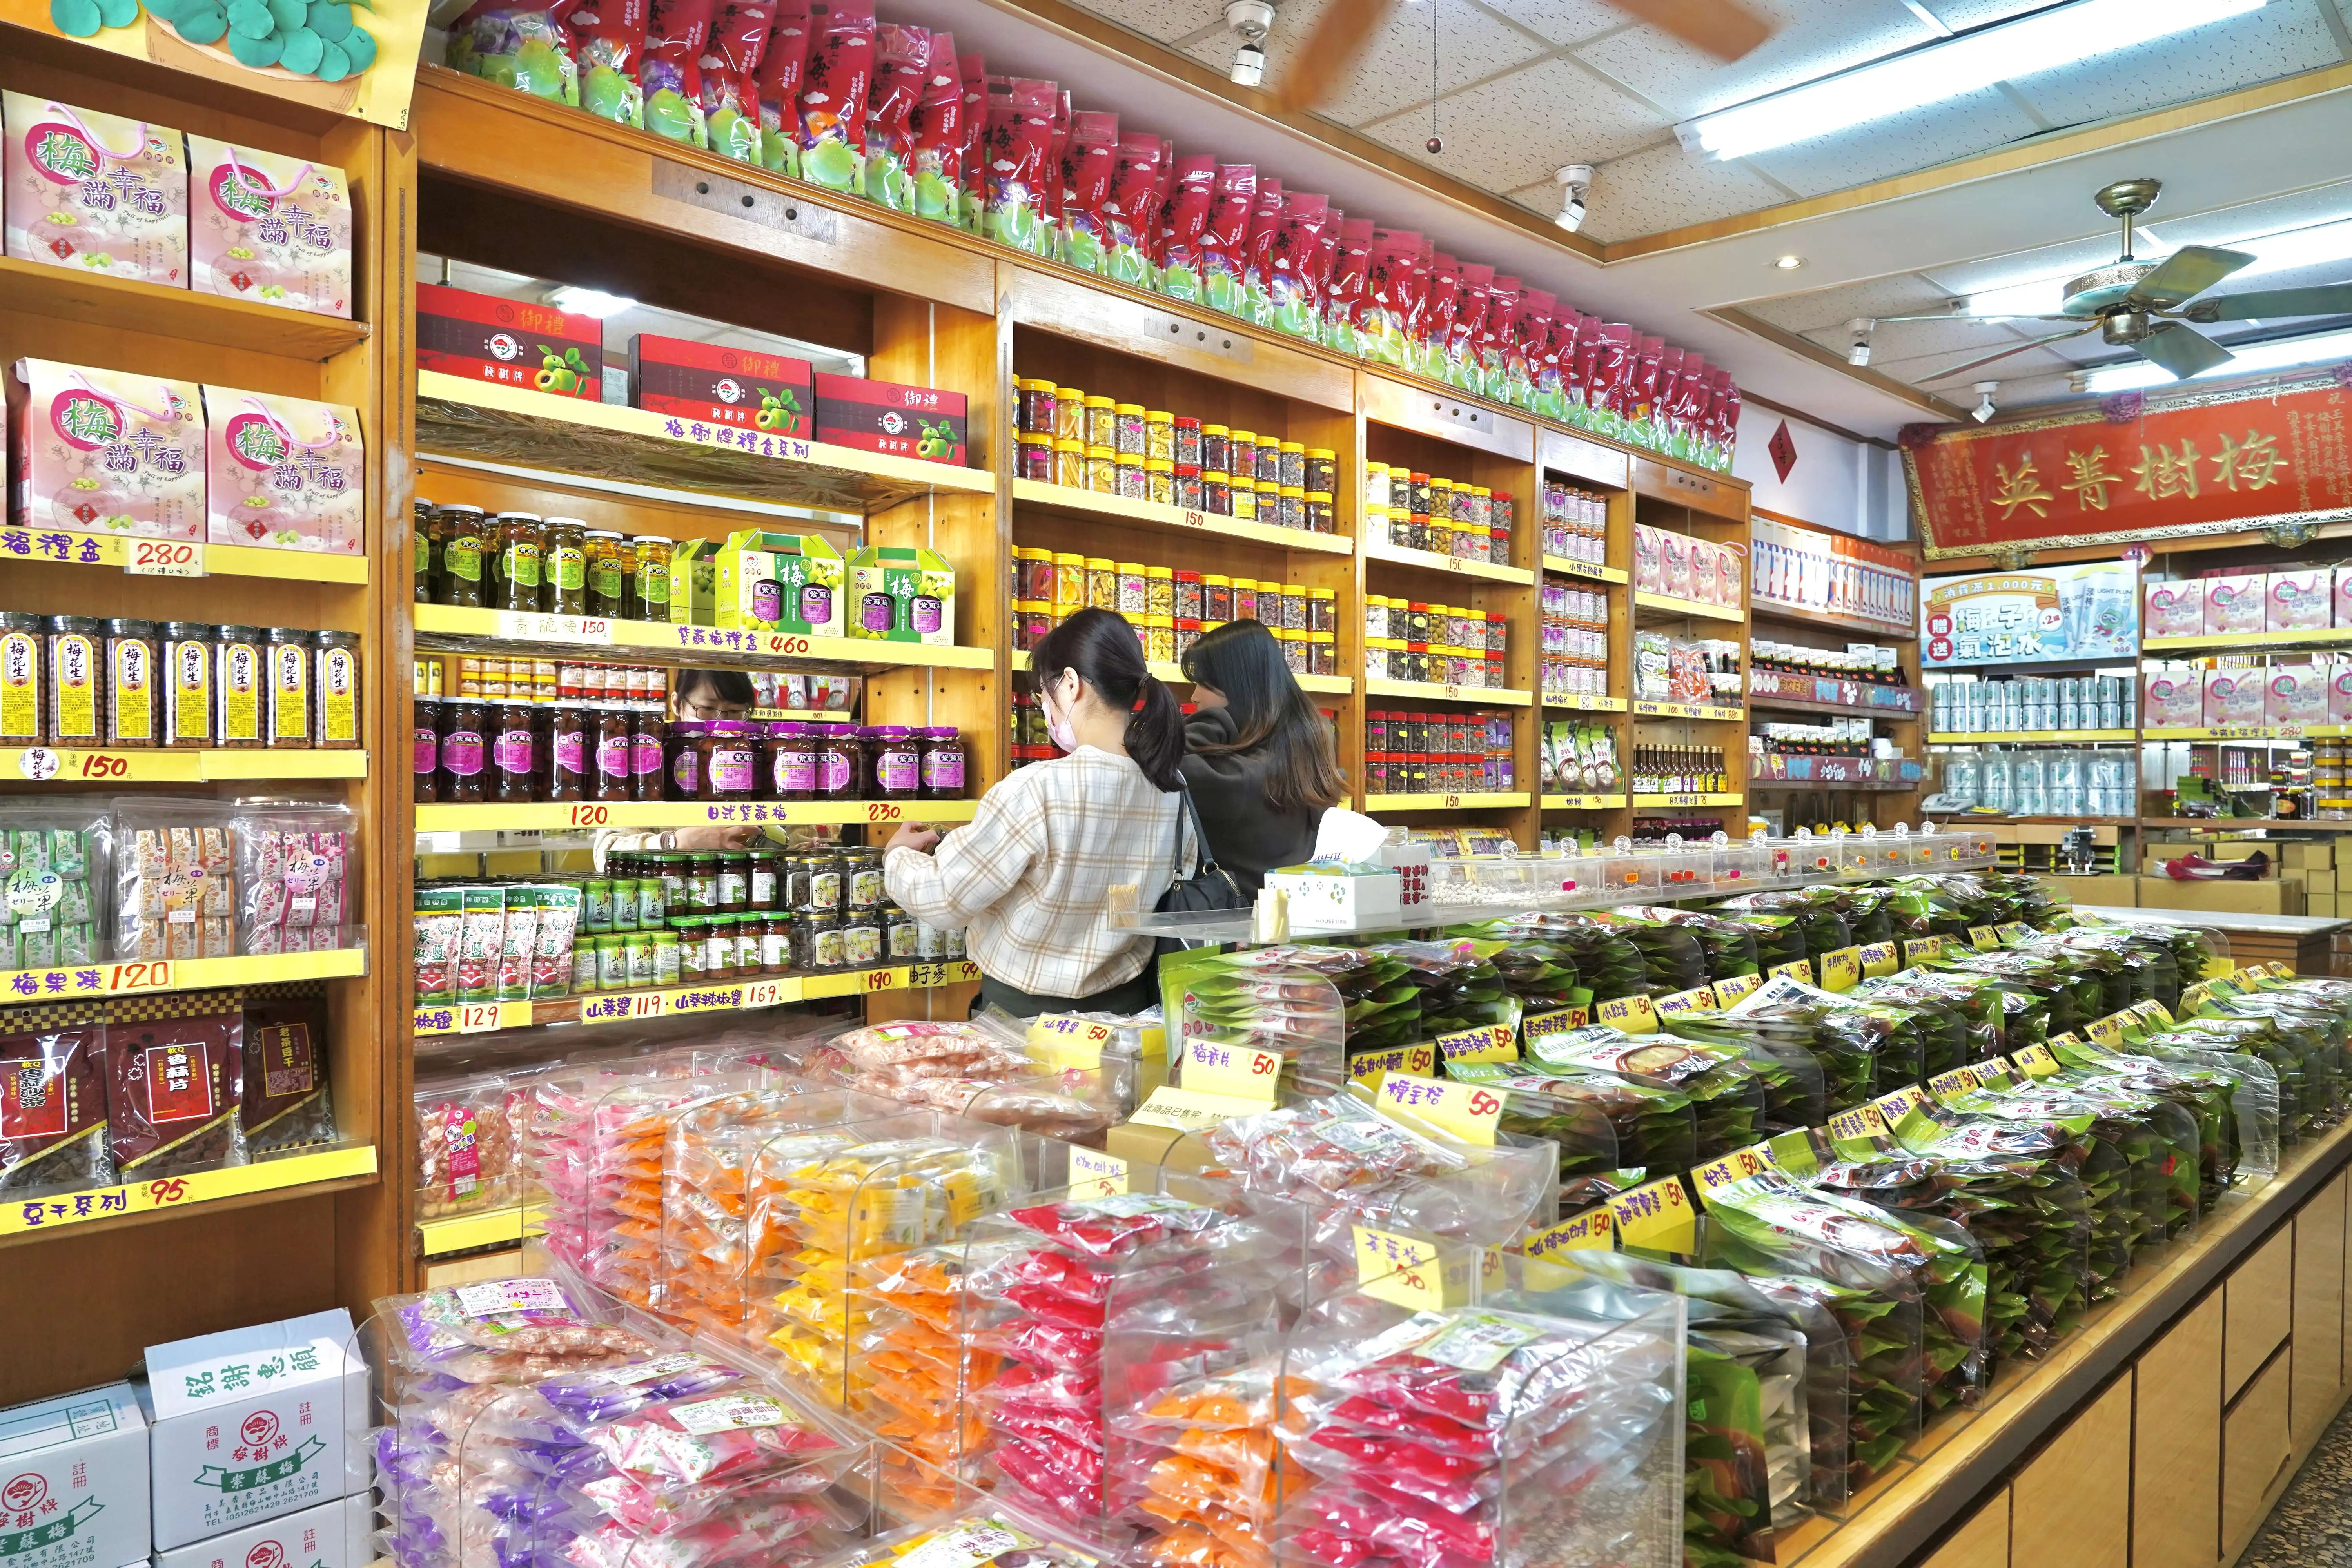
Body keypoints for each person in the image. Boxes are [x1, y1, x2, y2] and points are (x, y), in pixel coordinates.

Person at [884, 607, 1192, 1017]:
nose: (1043, 707)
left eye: (1042, 695)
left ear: (1070, 685)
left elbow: (945, 899)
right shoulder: (1172, 789)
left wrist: (897, 857)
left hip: (1023, 1020)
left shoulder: (1037, 788)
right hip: (1128, 1017)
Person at [1178, 619, 1345, 897]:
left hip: (1239, 930)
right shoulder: (1304, 755)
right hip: (1297, 922)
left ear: (1236, 687)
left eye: (1203, 684)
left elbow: (1166, 762)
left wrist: (1214, 719)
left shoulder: (1237, 777)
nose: (1195, 696)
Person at [594, 668, 761, 868]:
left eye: (735, 712)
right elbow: (605, 855)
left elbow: (792, 837)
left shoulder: (754, 759)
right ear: (677, 704)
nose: (721, 725)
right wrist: (675, 842)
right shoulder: (647, 759)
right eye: (707, 709)